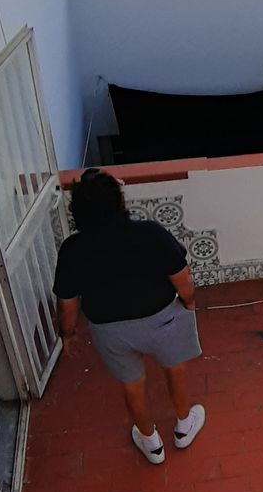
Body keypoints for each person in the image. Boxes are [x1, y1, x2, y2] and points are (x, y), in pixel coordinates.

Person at [53, 168, 205, 464]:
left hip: (111, 331)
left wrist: (67, 334)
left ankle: (151, 444)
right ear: (119, 203)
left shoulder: (72, 250)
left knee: (132, 384)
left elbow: (67, 304)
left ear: (77, 211)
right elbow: (182, 277)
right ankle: (184, 427)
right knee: (175, 369)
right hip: (163, 318)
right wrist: (189, 303)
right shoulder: (150, 233)